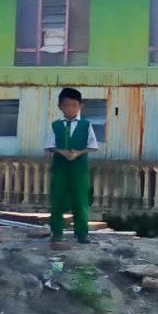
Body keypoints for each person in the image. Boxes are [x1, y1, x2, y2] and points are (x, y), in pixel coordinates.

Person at [44, 87, 98, 244]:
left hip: (79, 169)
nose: (70, 109)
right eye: (66, 105)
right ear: (60, 106)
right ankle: (57, 232)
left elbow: (93, 146)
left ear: (80, 106)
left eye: (74, 105)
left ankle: (82, 233)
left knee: (80, 200)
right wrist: (61, 152)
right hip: (60, 168)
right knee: (57, 199)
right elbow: (49, 146)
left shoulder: (86, 125)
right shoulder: (55, 125)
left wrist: (78, 153)